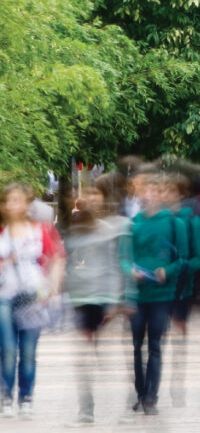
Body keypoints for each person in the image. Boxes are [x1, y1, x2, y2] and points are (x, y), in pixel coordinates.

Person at [121, 173, 187, 416]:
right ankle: (140, 391)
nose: (148, 195)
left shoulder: (174, 224)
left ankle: (151, 397)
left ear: (161, 195)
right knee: (136, 346)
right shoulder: (133, 225)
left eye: (154, 191)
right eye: (144, 191)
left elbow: (181, 259)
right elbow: (123, 258)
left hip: (162, 294)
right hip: (138, 294)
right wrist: (131, 271)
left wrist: (166, 270)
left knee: (155, 345)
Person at [64, 175, 128, 424]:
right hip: (82, 297)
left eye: (95, 193)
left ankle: (120, 396)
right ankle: (86, 406)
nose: (90, 198)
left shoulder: (112, 228)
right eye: (87, 194)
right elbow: (67, 262)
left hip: (103, 296)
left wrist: (114, 301)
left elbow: (114, 265)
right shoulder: (76, 228)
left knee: (102, 354)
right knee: (85, 355)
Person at [0, 183, 66, 417]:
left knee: (28, 350)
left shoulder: (41, 230)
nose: (12, 204)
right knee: (7, 348)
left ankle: (26, 397)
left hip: (32, 297)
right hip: (4, 296)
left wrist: (53, 288)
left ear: (27, 204)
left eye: (17, 200)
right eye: (8, 200)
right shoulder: (1, 232)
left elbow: (58, 258)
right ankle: (5, 395)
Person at [164, 173, 200, 407]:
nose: (164, 196)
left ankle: (177, 384)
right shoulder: (155, 220)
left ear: (180, 194)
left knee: (178, 338)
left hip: (182, 288)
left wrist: (182, 268)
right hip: (157, 288)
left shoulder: (192, 221)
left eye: (169, 191)